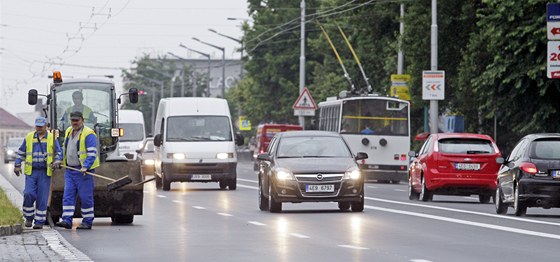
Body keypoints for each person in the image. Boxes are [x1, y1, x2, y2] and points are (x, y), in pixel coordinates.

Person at [14, 116, 62, 229]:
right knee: (28, 194)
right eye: (37, 126)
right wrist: (17, 164)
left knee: (42, 198)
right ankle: (29, 217)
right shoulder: (29, 137)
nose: (39, 128)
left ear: (46, 126)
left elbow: (59, 152)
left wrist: (57, 161)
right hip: (32, 172)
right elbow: (21, 152)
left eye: (41, 126)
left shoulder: (51, 138)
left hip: (45, 173)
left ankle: (39, 222)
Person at [55, 111, 99, 230]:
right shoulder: (69, 131)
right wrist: (59, 160)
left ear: (82, 120)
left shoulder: (89, 134)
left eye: (77, 120)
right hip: (70, 171)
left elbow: (92, 153)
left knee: (85, 197)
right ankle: (67, 220)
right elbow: (65, 149)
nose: (75, 123)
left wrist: (86, 166)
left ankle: (87, 221)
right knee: (68, 196)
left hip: (83, 172)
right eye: (73, 120)